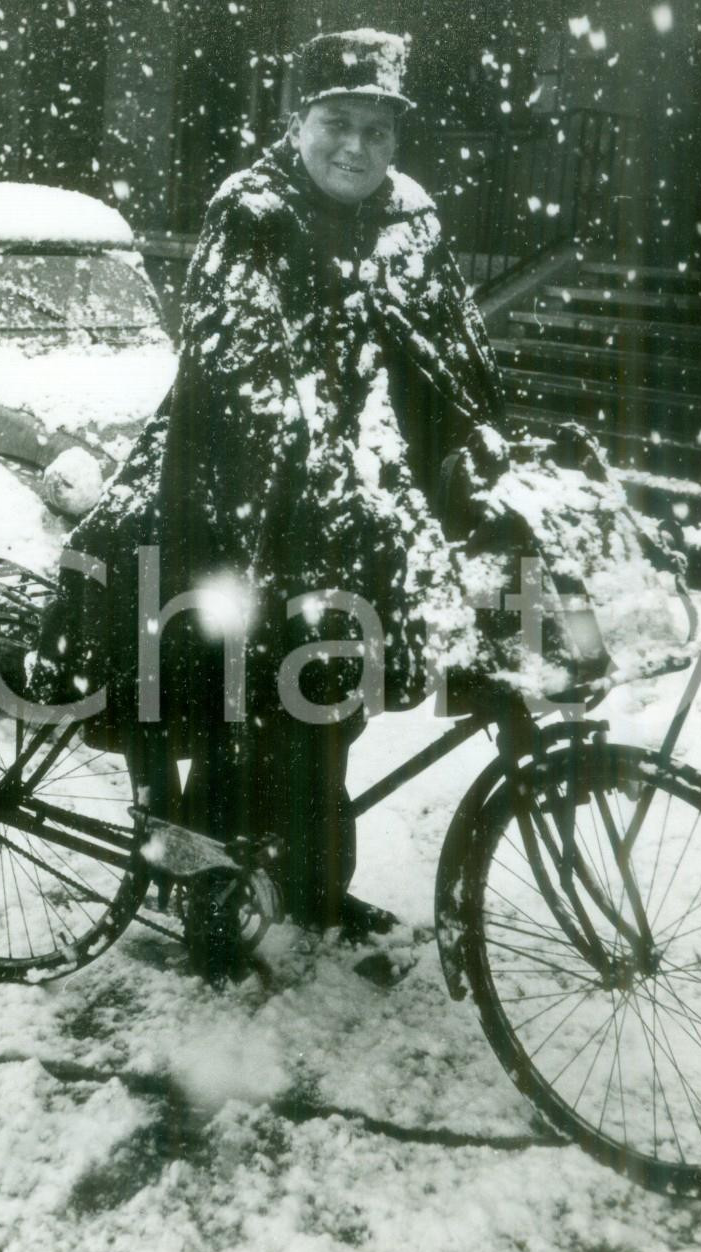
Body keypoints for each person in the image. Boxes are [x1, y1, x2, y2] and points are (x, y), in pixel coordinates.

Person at [135, 28, 510, 937]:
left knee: (327, 714)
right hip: (241, 502)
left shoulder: (409, 214)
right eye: (336, 122)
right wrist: (296, 496)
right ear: (296, 121)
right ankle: (209, 896)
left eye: (378, 131)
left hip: (365, 511)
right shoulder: (252, 210)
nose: (357, 148)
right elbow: (233, 389)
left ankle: (306, 883)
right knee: (239, 707)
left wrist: (481, 446)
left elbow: (451, 350)